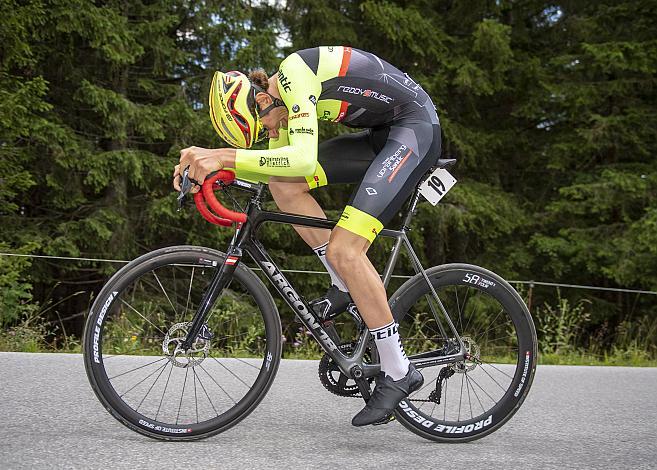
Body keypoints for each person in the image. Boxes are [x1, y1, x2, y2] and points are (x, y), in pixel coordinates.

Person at [174, 46, 441, 426]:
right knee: (286, 187)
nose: (270, 132)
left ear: (264, 98)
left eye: (264, 125)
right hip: (381, 135)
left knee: (346, 249)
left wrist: (222, 156)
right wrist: (208, 171)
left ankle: (399, 370)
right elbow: (274, 170)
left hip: (414, 132)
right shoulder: (277, 109)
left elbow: (300, 157)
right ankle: (342, 285)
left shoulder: (294, 72)